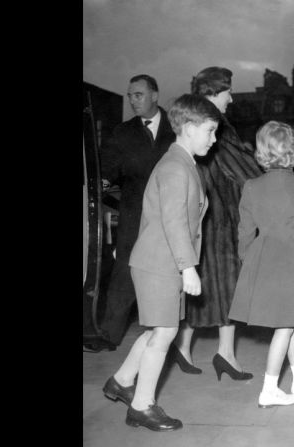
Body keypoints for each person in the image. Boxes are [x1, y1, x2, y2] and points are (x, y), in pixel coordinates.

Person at [102, 94, 221, 431]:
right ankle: (142, 405)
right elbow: (173, 221)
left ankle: (122, 380)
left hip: (159, 260)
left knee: (158, 329)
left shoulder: (183, 163)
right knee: (165, 333)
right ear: (188, 127)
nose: (214, 139)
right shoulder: (174, 167)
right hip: (161, 262)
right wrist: (188, 267)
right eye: (210, 131)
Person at [227, 121, 294, 408]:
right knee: (285, 326)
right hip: (293, 256)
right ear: (293, 151)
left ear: (262, 152)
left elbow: (244, 231)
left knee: (291, 318)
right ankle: (269, 389)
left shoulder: (251, 186)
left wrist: (248, 260)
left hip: (263, 254)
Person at [170, 67, 262, 379]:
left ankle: (187, 347)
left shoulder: (195, 125)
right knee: (226, 285)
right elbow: (245, 170)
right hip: (221, 220)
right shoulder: (218, 127)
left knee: (204, 287)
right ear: (212, 94)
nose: (231, 98)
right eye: (227, 92)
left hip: (205, 217)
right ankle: (223, 353)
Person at [89, 74, 176, 352]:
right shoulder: (122, 132)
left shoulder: (177, 127)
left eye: (138, 94)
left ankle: (175, 338)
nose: (133, 100)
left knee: (174, 271)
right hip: (134, 211)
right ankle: (110, 335)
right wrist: (100, 184)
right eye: (130, 96)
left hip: (170, 210)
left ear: (154, 95)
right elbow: (109, 168)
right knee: (124, 270)